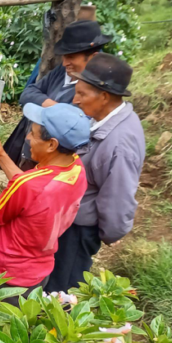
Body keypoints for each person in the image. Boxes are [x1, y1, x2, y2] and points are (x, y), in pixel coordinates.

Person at [46, 54, 145, 292]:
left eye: (82, 94)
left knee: (62, 289)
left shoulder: (120, 143)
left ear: (103, 97)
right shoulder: (99, 120)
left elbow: (118, 198)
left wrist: (111, 232)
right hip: (69, 219)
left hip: (79, 230)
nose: (75, 100)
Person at [0, 103, 90, 301]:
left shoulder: (29, 185)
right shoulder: (76, 169)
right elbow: (31, 189)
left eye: (33, 134)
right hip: (37, 273)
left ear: (52, 144)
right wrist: (0, 154)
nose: (27, 138)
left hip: (4, 274)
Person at [3, 20, 112, 171]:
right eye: (64, 56)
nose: (65, 63)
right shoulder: (61, 73)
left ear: (92, 57)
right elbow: (28, 94)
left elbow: (79, 127)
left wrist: (44, 107)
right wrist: (58, 110)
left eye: (72, 57)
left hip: (55, 165)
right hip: (33, 151)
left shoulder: (96, 92)